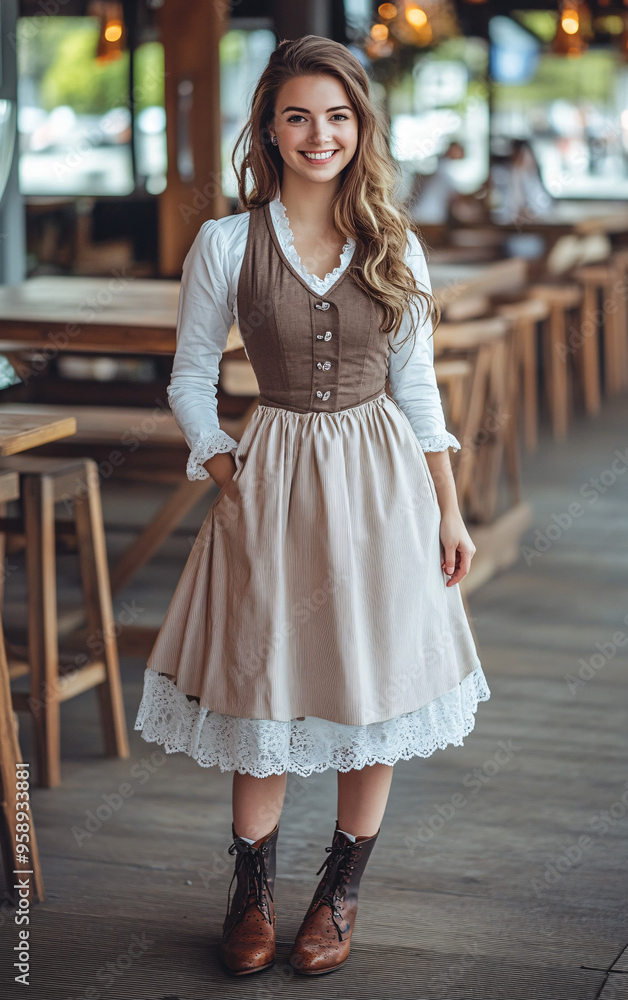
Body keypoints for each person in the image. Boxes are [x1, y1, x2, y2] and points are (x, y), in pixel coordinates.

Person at [134, 35, 490, 978]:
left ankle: (340, 890)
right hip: (273, 476)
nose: (318, 134)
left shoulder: (393, 242)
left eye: (336, 116)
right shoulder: (226, 243)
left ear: (360, 128)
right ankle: (251, 891)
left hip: (383, 483)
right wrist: (225, 468)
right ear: (269, 129)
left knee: (375, 677)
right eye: (297, 116)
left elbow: (418, 390)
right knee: (266, 676)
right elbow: (189, 376)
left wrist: (448, 511)